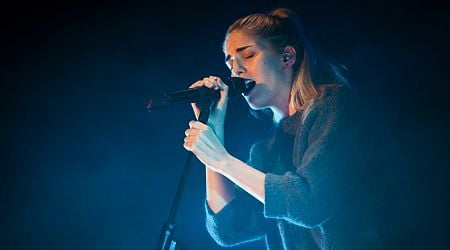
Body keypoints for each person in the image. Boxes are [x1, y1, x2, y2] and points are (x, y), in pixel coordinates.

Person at [183, 7, 389, 250]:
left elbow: (311, 203)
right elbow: (230, 229)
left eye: (247, 55)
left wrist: (223, 160)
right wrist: (213, 135)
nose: (235, 71)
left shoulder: (335, 107)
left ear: (287, 58)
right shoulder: (266, 151)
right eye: (230, 64)